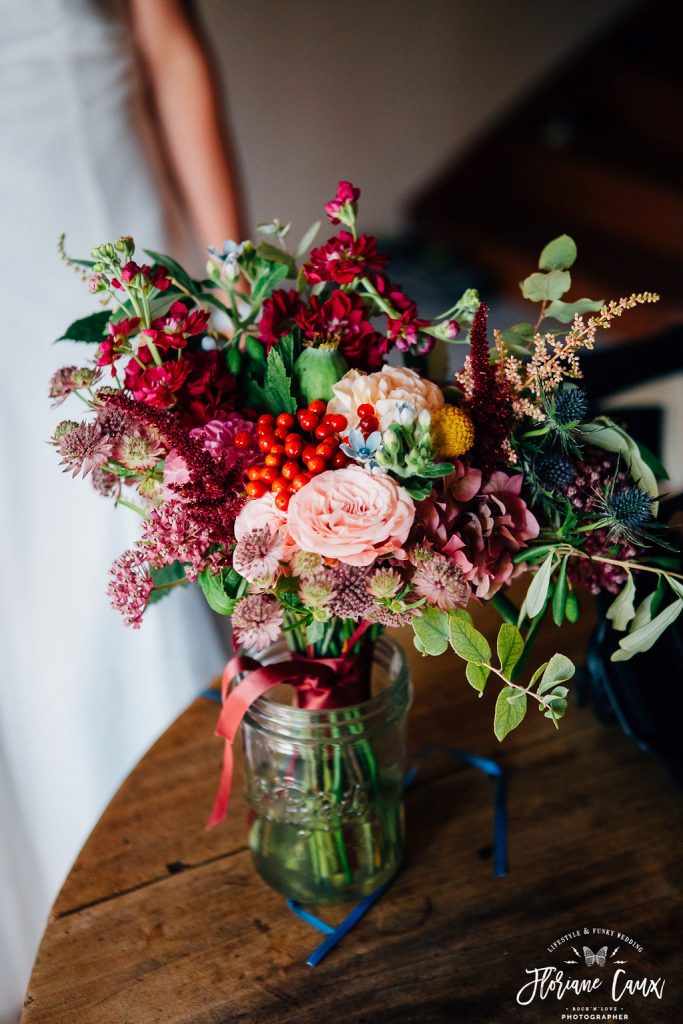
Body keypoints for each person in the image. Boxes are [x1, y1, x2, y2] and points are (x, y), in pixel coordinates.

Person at [0, 2, 244, 1019]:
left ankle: (207, 931)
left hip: (91, 242)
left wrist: (235, 287)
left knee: (138, 566)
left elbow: (167, 37)